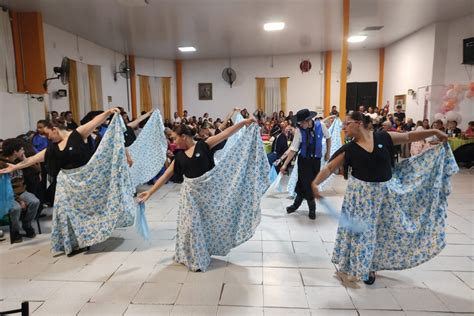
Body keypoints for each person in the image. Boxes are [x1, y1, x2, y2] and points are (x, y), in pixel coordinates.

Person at [311, 111, 452, 286]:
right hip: (361, 198)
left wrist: (434, 132)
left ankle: (371, 264)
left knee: (383, 231)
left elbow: (408, 136)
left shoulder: (383, 138)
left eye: (347, 123)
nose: (342, 126)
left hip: (385, 195)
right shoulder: (349, 148)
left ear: (359, 123)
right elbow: (330, 167)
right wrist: (315, 183)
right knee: (364, 233)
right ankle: (364, 267)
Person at [279, 109, 331, 220]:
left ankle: (295, 205)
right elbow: (293, 149)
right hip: (303, 161)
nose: (300, 124)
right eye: (299, 122)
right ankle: (312, 208)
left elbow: (328, 137)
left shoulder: (320, 126)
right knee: (306, 183)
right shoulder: (299, 131)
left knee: (306, 184)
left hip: (316, 161)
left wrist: (328, 152)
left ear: (309, 120)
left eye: (302, 122)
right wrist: (284, 165)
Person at [0, 138, 40, 243]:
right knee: (16, 208)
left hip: (21, 191)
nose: (23, 151)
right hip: (7, 194)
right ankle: (15, 232)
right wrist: (19, 200)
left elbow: (37, 170)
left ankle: (26, 225)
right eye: (21, 150)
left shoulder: (18, 161)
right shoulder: (2, 163)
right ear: (15, 152)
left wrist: (24, 160)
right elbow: (6, 187)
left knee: (35, 201)